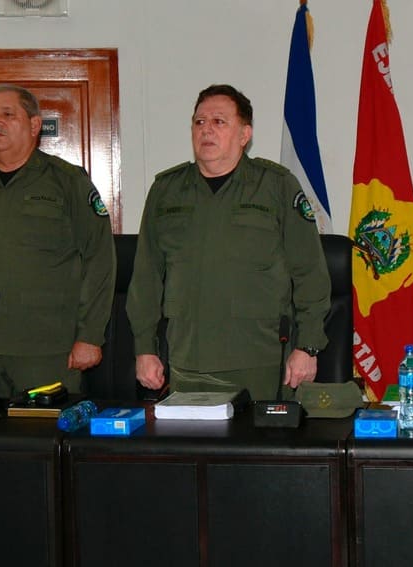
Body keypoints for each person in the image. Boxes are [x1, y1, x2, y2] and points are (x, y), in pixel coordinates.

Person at [126, 84, 331, 400]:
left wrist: (308, 346)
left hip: (259, 359)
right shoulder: (167, 191)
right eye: (199, 122)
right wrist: (144, 348)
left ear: (244, 134)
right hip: (187, 359)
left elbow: (309, 271)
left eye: (219, 121)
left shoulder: (276, 186)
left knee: (256, 434)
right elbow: (146, 278)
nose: (206, 129)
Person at [0, 84, 116, 398]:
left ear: (34, 125)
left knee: (41, 429)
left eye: (7, 114)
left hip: (47, 348)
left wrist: (90, 336)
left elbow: (100, 261)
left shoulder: (66, 182)